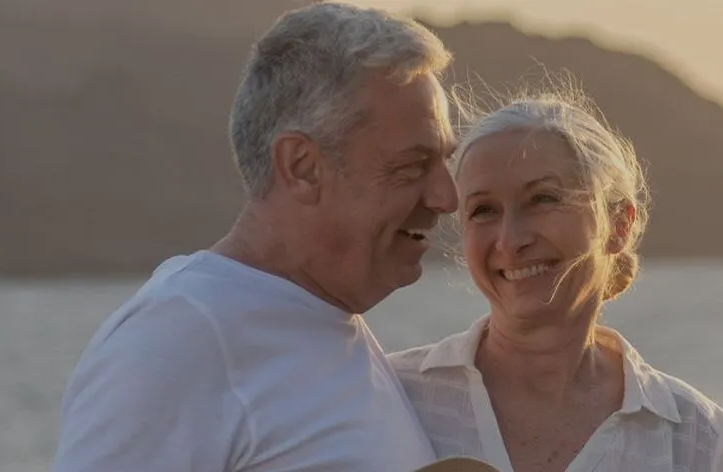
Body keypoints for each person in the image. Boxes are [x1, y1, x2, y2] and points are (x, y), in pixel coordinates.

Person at [52, 3, 455, 471]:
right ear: (302, 168)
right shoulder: (178, 340)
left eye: (444, 161)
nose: (446, 197)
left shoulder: (322, 318)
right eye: (412, 166)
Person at [385, 90, 723, 472]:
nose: (510, 241)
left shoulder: (697, 440)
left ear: (618, 224)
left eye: (542, 199)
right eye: (483, 210)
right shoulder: (391, 397)